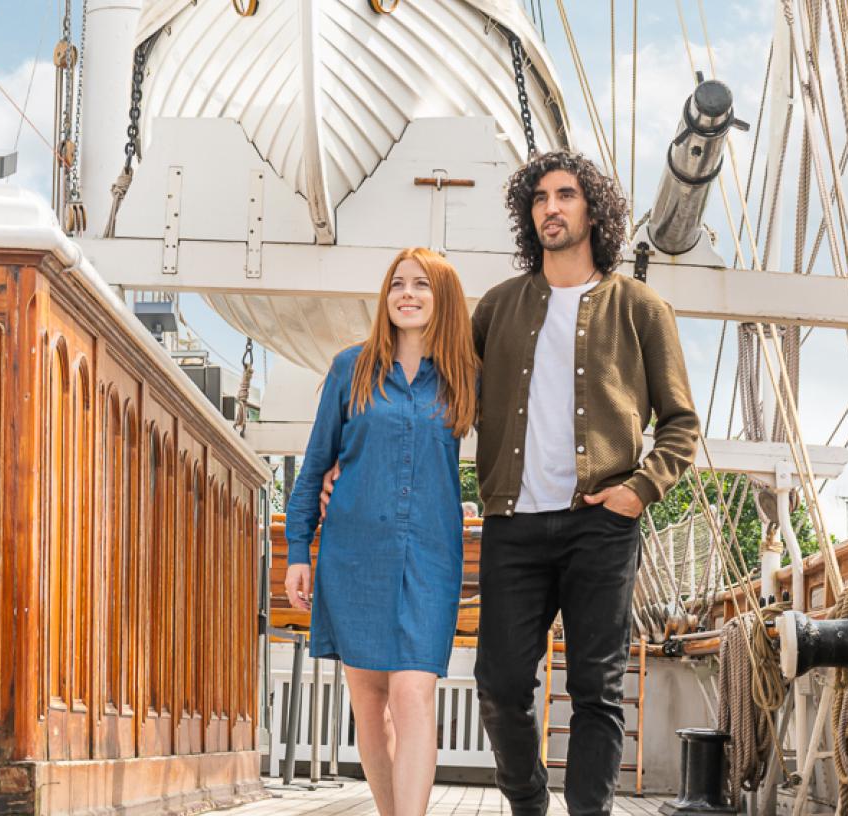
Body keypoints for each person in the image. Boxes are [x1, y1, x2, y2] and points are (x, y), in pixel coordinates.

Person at [469, 150, 699, 816]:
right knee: (501, 683)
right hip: (513, 522)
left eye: (565, 195)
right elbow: (446, 395)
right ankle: (529, 802)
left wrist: (638, 490)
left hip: (601, 522)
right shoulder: (499, 307)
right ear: (528, 214)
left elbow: (681, 425)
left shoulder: (641, 307)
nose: (551, 207)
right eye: (539, 198)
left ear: (592, 209)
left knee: (596, 689)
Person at [283, 247, 479, 816]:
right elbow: (317, 463)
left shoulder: (465, 376)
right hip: (354, 554)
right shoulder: (351, 367)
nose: (408, 295)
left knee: (414, 691)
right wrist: (299, 549)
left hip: (431, 557)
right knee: (369, 702)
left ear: (443, 300)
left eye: (422, 285)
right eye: (398, 284)